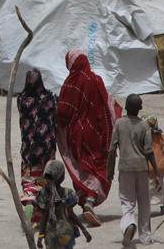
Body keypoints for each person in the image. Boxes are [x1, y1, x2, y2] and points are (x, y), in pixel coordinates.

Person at [57, 49, 115, 226]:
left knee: (82, 166)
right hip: (98, 134)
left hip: (77, 135)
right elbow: (107, 105)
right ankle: (90, 200)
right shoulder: (96, 80)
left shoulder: (70, 84)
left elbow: (63, 111)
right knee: (98, 166)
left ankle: (83, 199)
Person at [108, 94, 159, 248]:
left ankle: (129, 226)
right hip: (141, 168)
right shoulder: (144, 126)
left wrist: (109, 171)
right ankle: (145, 236)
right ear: (140, 109)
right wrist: (156, 172)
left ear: (126, 107)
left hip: (125, 168)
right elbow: (149, 151)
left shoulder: (118, 124)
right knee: (144, 203)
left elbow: (111, 150)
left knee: (127, 202)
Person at [36, 160, 92, 249]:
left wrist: (40, 237)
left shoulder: (44, 194)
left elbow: (44, 216)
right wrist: (84, 230)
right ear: (62, 177)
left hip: (51, 235)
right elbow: (71, 214)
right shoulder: (68, 194)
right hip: (66, 233)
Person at [17, 68, 58, 180]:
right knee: (47, 182)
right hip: (47, 148)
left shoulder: (22, 100)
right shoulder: (50, 99)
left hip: (29, 148)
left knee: (30, 184)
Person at [140, 113, 164, 215]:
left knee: (147, 188)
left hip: (147, 166)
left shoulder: (142, 139)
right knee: (159, 187)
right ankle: (162, 206)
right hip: (159, 166)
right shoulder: (160, 136)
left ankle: (146, 207)